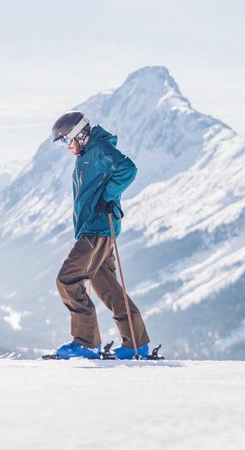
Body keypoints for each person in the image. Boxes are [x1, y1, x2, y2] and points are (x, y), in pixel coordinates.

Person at [50, 111, 150, 359]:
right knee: (107, 287)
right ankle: (135, 344)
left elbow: (128, 168)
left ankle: (85, 343)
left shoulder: (99, 149)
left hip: (97, 230)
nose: (66, 147)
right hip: (95, 228)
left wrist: (108, 196)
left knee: (68, 279)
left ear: (80, 135)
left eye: (66, 140)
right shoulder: (87, 154)